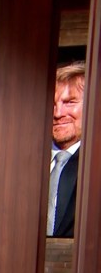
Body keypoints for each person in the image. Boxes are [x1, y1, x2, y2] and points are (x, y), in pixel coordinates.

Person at [48, 61, 86, 238]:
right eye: (52, 103)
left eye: (69, 102)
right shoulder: (23, 163)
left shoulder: (94, 165)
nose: (58, 113)